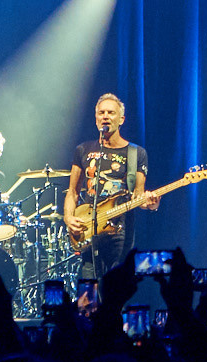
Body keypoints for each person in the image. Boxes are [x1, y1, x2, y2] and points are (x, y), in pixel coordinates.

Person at [65, 94, 155, 279]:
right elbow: (73, 192)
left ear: (121, 119)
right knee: (88, 290)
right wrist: (68, 218)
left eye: (111, 113)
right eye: (101, 112)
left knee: (117, 287)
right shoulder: (83, 150)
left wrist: (150, 204)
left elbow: (138, 195)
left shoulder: (136, 153)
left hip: (119, 232)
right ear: (96, 118)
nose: (105, 116)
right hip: (89, 229)